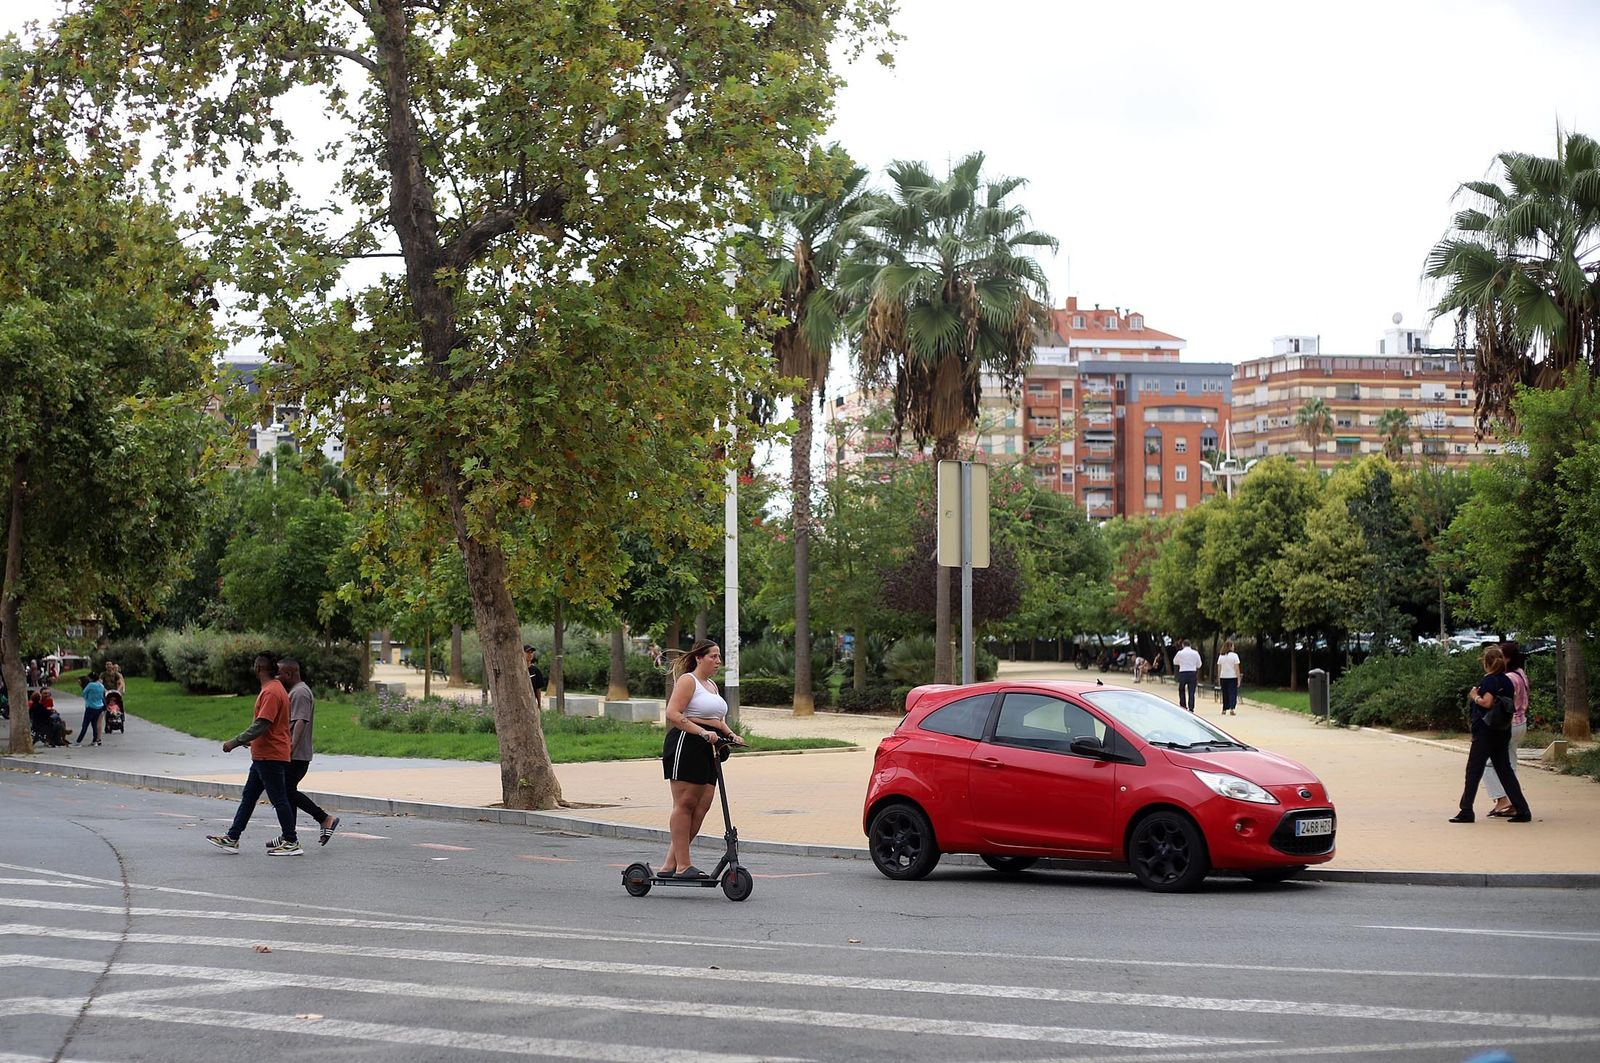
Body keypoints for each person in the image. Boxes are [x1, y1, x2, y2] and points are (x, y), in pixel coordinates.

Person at [658, 639, 744, 879]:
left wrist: (730, 734)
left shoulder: (712, 685)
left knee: (702, 807)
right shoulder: (689, 681)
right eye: (713, 657)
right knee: (685, 804)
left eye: (719, 657)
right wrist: (702, 732)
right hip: (687, 744)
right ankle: (683, 866)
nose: (718, 661)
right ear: (698, 658)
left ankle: (669, 865)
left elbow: (717, 718)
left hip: (710, 748)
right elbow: (673, 713)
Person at [207, 654, 303, 855]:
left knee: (279, 799)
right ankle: (232, 838)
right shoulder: (275, 690)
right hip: (263, 755)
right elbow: (270, 725)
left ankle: (291, 841)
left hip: (271, 756)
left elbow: (263, 723)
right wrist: (253, 740)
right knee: (249, 797)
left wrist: (236, 741)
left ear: (259, 668)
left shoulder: (271, 692)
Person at [1450, 644, 1532, 824]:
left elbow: (1487, 703)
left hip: (1485, 731)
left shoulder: (1489, 680)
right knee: (1505, 770)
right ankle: (1522, 809)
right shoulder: (1507, 681)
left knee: (1473, 770)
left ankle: (1466, 810)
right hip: (1502, 730)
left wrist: (1474, 696)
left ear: (1487, 663)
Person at [273, 658, 340, 847]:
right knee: (287, 793)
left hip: (296, 755)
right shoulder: (295, 691)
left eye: (279, 673)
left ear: (289, 674)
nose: (277, 677)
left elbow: (301, 721)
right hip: (294, 754)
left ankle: (324, 819)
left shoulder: (300, 692)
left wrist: (289, 749)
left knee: (285, 791)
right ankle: (289, 836)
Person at [1484, 642, 1530, 817]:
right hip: (1520, 722)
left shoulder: (1508, 678)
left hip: (1507, 725)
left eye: (1499, 655)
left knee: (1488, 763)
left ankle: (1502, 799)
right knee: (1509, 764)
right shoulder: (1521, 674)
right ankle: (1513, 801)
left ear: (1507, 658)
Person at [76, 672, 107, 745]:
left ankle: (78, 741)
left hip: (90, 707)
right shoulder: (101, 686)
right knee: (94, 724)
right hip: (99, 707)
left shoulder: (90, 685)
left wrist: (87, 698)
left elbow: (84, 693)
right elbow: (102, 696)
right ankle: (95, 740)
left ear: (91, 678)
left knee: (85, 725)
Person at [1173, 639, 1202, 712]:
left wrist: (1181, 663)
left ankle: (1183, 706)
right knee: (1191, 691)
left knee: (1181, 689)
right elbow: (1199, 664)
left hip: (1183, 672)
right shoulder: (1195, 653)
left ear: (1183, 645)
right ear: (1190, 645)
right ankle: (1191, 707)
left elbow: (1175, 662)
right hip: (1192, 672)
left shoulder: (1180, 653)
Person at [1216, 640, 1242, 716]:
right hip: (1232, 676)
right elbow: (1237, 668)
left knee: (1225, 693)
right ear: (1230, 647)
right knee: (1232, 693)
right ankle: (1232, 708)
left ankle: (1224, 708)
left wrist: (1218, 678)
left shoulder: (1221, 656)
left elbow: (1219, 668)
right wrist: (1238, 678)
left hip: (1223, 677)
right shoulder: (1235, 656)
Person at [524, 644, 546, 712]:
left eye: (531, 652)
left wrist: (539, 704)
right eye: (528, 652)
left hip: (531, 703)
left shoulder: (536, 670)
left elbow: (538, 689)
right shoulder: (517, 670)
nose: (530, 654)